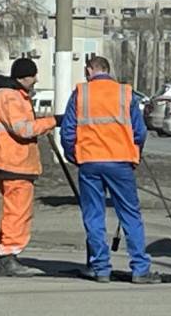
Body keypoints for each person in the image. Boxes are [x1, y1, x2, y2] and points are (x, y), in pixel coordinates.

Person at [60, 55, 160, 284]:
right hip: (120, 162)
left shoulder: (81, 94)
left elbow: (67, 132)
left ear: (89, 70)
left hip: (90, 163)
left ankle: (100, 268)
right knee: (130, 215)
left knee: (94, 215)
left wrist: (75, 156)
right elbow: (140, 131)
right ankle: (140, 269)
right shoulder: (125, 93)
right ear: (108, 70)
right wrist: (134, 153)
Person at [0, 58, 57, 277]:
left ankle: (5, 254)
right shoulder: (9, 97)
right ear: (23, 76)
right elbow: (24, 129)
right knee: (17, 212)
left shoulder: (1, 95)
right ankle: (7, 257)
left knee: (14, 210)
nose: (36, 79)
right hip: (14, 162)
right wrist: (53, 121)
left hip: (4, 159)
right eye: (33, 75)